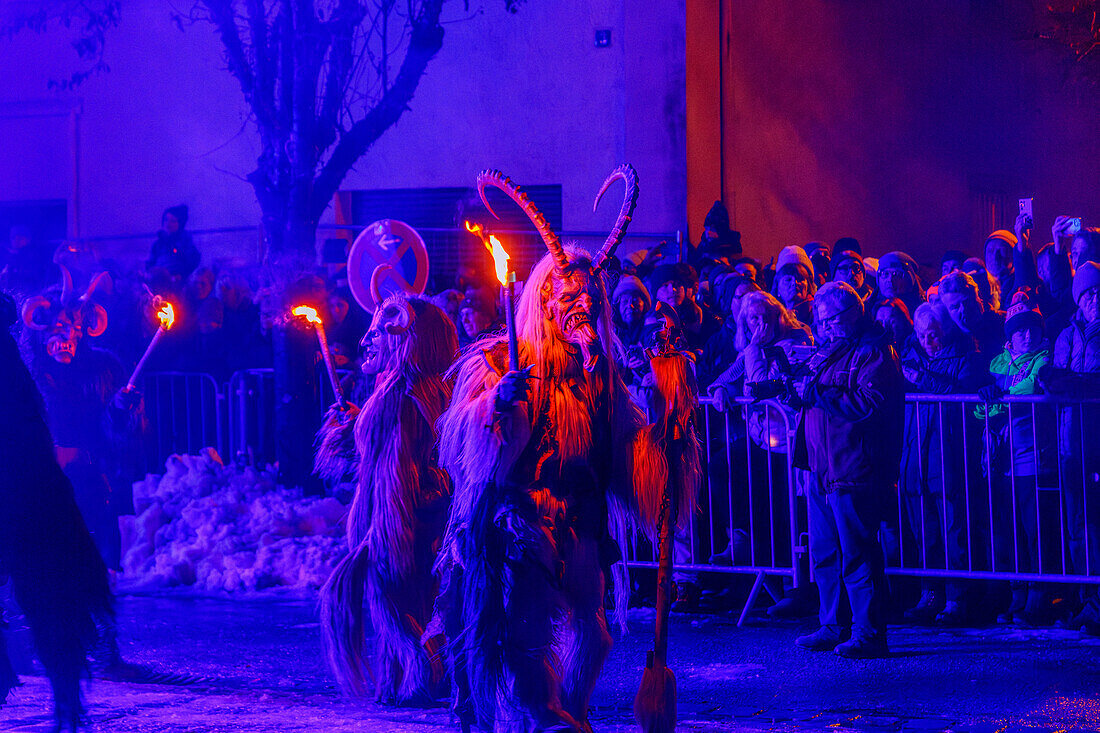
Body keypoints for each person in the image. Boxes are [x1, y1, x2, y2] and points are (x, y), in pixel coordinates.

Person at [429, 168, 699, 731]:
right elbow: (467, 446)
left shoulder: (602, 381)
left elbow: (631, 464)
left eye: (586, 294)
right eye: (565, 292)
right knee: (525, 632)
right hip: (517, 521)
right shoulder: (505, 357)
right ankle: (542, 714)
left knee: (594, 634)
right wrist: (498, 407)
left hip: (578, 522)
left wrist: (667, 432)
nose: (578, 302)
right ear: (544, 299)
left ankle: (565, 713)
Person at [319, 294, 458, 704]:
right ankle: (404, 681)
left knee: (391, 602)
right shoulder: (432, 389)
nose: (368, 340)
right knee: (416, 601)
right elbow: (375, 452)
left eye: (380, 331)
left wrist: (386, 535)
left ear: (406, 340)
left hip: (396, 521)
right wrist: (350, 426)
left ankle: (419, 672)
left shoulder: (398, 397)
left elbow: (395, 469)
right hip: (428, 517)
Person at [0, 291, 114, 730]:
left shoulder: (10, 364)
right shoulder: (15, 363)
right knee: (49, 589)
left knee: (50, 589)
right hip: (32, 481)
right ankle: (66, 699)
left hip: (25, 482)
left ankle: (67, 700)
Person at [793, 282, 904, 658]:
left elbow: (870, 404)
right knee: (826, 551)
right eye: (822, 322)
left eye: (831, 321)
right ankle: (833, 625)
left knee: (857, 552)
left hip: (854, 466)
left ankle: (869, 631)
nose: (825, 328)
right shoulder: (836, 349)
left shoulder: (874, 352)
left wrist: (819, 394)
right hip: (824, 467)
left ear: (852, 314)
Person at [898, 303, 986, 625]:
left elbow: (959, 391)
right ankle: (929, 594)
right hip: (915, 458)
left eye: (932, 334)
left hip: (948, 455)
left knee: (954, 531)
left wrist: (921, 378)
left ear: (945, 331)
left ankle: (956, 598)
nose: (926, 341)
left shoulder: (966, 359)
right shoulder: (906, 359)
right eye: (921, 336)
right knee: (925, 532)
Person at [974, 290, 1056, 626]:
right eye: (1018, 329)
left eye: (1031, 328)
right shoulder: (997, 364)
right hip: (1002, 460)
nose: (1026, 334)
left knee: (1035, 527)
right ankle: (1017, 593)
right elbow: (980, 411)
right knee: (1009, 530)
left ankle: (1040, 596)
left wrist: (1000, 393)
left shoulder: (1044, 357)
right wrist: (990, 397)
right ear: (1009, 335)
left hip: (1033, 457)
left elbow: (1034, 387)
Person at [1040, 261, 1100, 632]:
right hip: (1071, 442)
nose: (1095, 298)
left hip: (1095, 440)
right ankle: (1090, 600)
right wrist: (1053, 377)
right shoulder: (1066, 334)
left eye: (1099, 291)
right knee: (1079, 522)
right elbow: (1056, 378)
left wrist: (1076, 384)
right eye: (1088, 292)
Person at [936, 270, 1005, 361]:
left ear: (978, 298)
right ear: (947, 311)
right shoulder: (945, 342)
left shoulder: (1005, 324)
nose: (963, 310)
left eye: (967, 302)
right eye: (955, 307)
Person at [146, 205, 200, 282]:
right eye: (166, 220)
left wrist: (181, 275)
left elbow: (193, 261)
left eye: (172, 221)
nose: (168, 224)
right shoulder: (157, 245)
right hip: (159, 283)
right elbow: (150, 264)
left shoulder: (185, 242)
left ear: (179, 224)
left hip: (178, 284)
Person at [771, 245, 816, 327]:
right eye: (788, 279)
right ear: (777, 287)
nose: (794, 283)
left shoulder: (819, 313)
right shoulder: (771, 316)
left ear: (809, 285)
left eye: (800, 278)